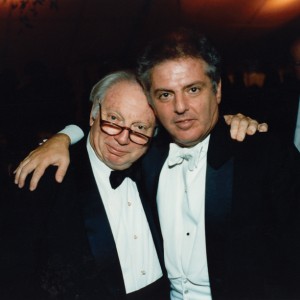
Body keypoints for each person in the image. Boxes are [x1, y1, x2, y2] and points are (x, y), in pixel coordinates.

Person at [15, 28, 294, 300]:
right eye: (165, 94)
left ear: (217, 89)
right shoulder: (148, 155)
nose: (181, 106)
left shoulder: (264, 154)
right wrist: (64, 136)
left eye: (193, 89)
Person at [2, 70, 170, 299]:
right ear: (93, 115)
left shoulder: (161, 166)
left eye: (140, 127)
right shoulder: (46, 177)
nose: (123, 138)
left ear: (154, 134)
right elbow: (13, 274)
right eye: (113, 119)